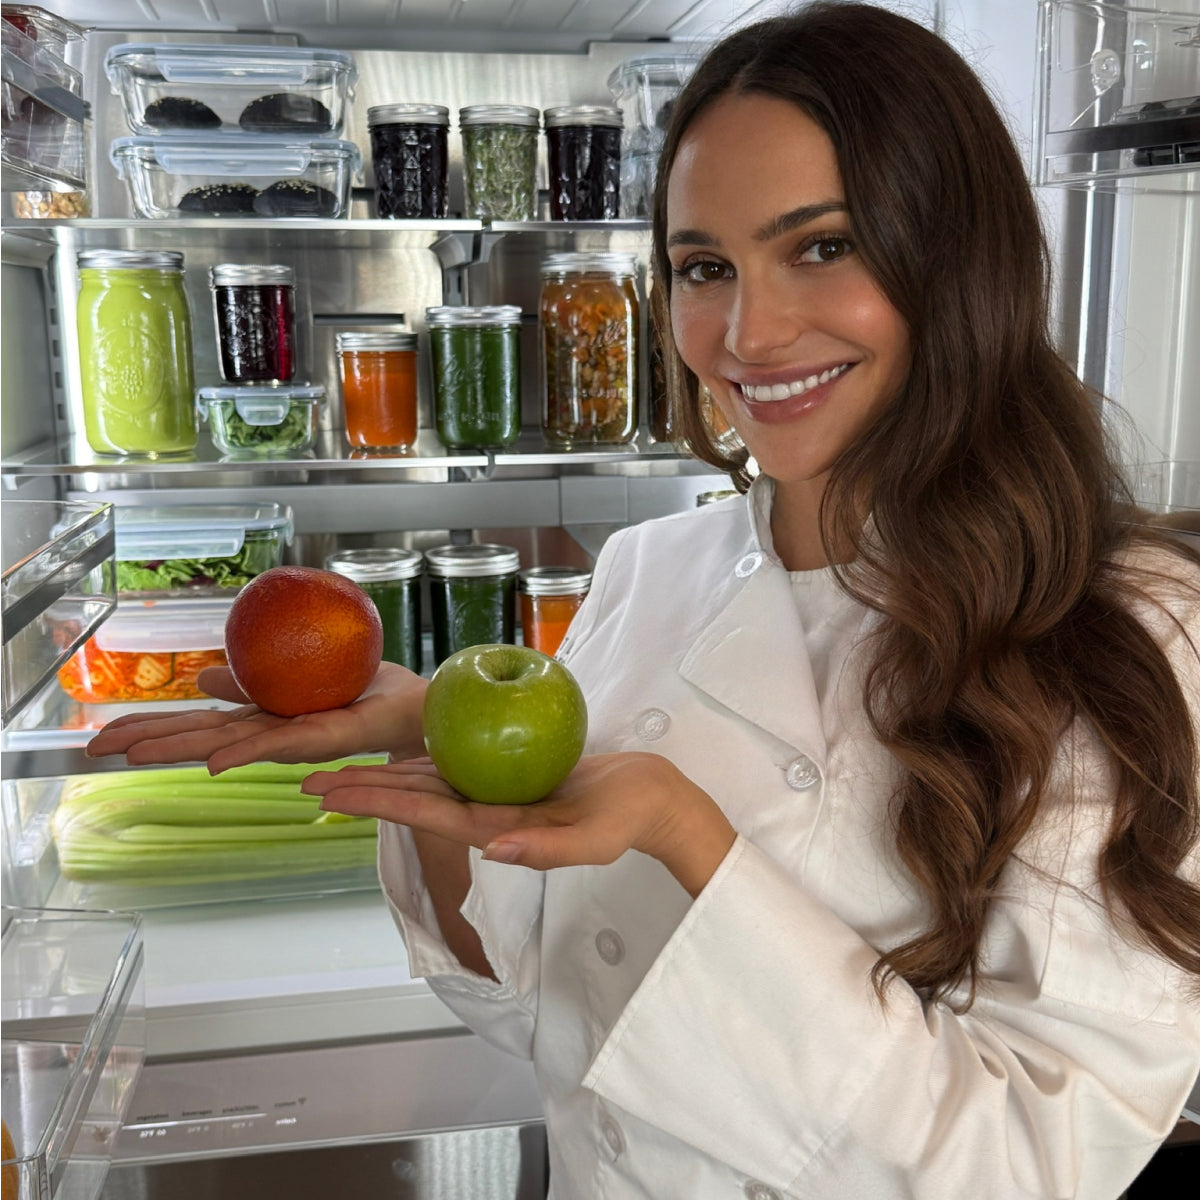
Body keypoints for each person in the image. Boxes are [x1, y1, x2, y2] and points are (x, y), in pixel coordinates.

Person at [87, 3, 1200, 1196]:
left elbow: (1032, 1160)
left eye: (822, 246)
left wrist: (690, 838)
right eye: (703, 268)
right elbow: (543, 1016)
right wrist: (440, 763)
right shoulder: (647, 572)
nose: (749, 333)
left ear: (954, 254)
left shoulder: (1126, 626)